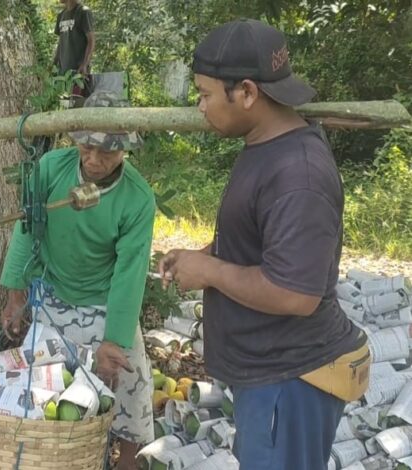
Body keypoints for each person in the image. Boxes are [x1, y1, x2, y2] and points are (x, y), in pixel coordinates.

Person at [157, 19, 368, 470]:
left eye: (206, 94)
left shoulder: (299, 174)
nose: (200, 106)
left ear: (248, 92)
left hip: (289, 381)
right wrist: (205, 255)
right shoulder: (266, 145)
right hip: (269, 377)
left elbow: (295, 293)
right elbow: (262, 237)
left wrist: (210, 272)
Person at [0, 91, 155, 470]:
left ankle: (128, 460)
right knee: (44, 387)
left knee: (130, 384)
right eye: (87, 147)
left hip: (104, 299)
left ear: (126, 150)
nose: (94, 160)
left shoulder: (137, 199)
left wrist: (113, 340)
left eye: (108, 152)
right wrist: (15, 294)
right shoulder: (51, 169)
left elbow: (129, 275)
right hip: (53, 294)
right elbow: (25, 231)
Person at [54, 0, 96, 97]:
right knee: (63, 105)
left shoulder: (83, 12)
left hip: (78, 72)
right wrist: (54, 64)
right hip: (63, 72)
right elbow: (61, 42)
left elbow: (91, 40)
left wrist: (85, 64)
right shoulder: (61, 15)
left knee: (76, 104)